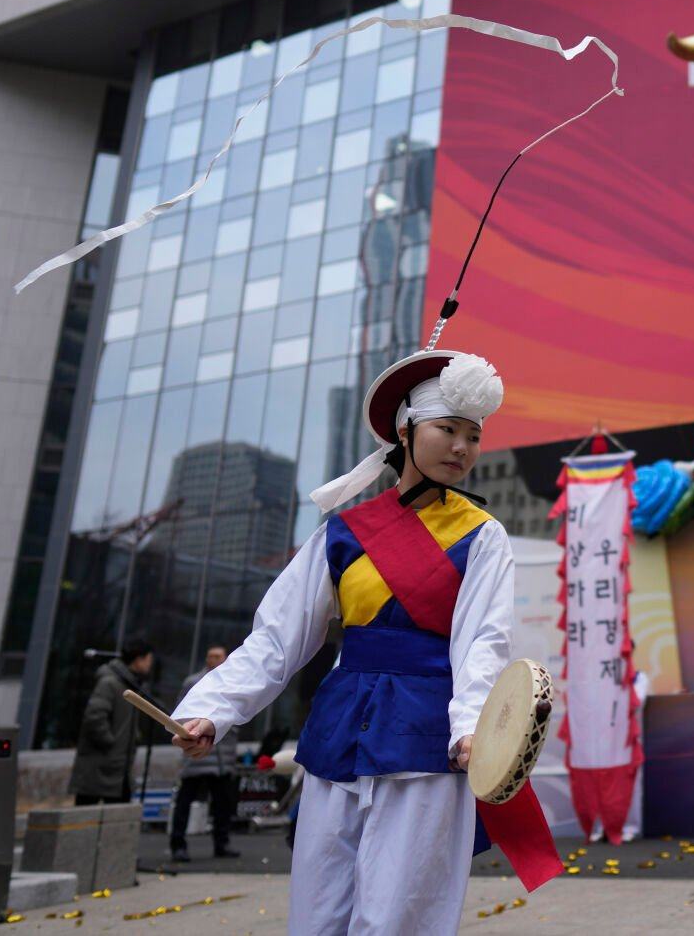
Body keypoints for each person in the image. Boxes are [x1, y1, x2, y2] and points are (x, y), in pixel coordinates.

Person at [170, 350, 560, 935]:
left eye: (473, 436)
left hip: (427, 741)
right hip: (338, 735)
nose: (461, 448)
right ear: (405, 431)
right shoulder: (342, 533)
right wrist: (211, 711)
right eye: (447, 429)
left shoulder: (483, 536)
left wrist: (471, 729)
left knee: (398, 917)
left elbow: (483, 640)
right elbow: (278, 637)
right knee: (318, 912)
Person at [169, 645, 240, 861]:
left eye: (218, 656)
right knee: (185, 801)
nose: (214, 659)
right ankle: (178, 844)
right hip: (198, 754)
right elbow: (181, 711)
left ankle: (221, 843)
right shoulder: (193, 682)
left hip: (222, 756)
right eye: (211, 656)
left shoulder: (234, 681)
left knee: (222, 804)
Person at [70, 639, 154, 804]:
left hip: (117, 767)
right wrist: (112, 743)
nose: (150, 664)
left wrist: (133, 738)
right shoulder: (110, 682)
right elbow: (95, 717)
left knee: (117, 815)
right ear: (138, 659)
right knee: (87, 813)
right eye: (148, 659)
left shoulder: (129, 684)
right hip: (101, 765)